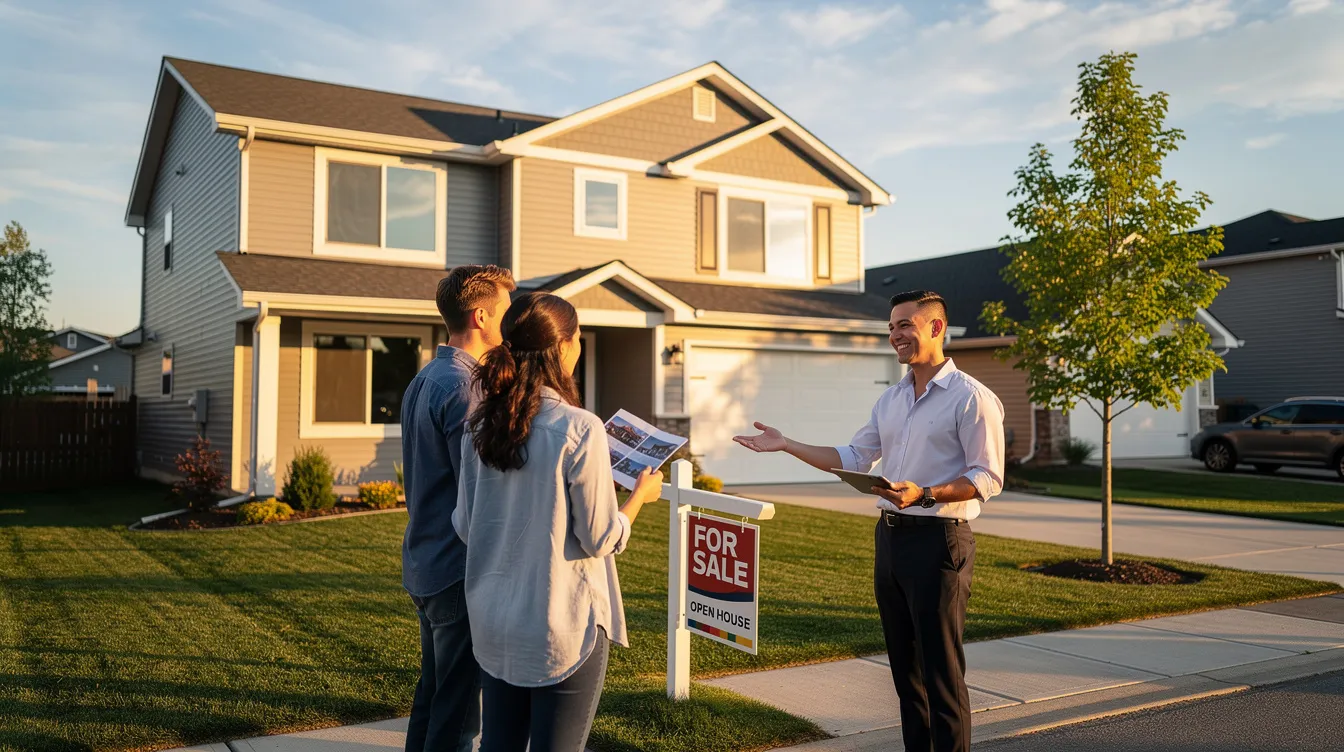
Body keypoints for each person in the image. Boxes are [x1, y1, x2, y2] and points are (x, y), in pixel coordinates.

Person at [734, 289, 1004, 752]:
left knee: (941, 676)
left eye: (905, 325)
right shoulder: (892, 399)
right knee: (906, 675)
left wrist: (925, 494)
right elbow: (855, 456)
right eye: (892, 327)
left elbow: (987, 476)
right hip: (891, 542)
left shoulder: (971, 398)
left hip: (940, 542)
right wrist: (788, 444)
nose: (895, 335)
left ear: (936, 328)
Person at [453, 292, 664, 752]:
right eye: (579, 338)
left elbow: (467, 526)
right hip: (560, 625)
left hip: (492, 621)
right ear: (564, 347)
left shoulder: (480, 423)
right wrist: (639, 499)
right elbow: (601, 536)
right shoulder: (579, 428)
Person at [401, 264, 516, 752]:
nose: (509, 323)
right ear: (482, 314)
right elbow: (479, 491)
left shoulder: (427, 377)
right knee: (457, 713)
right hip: (456, 570)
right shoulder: (466, 389)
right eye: (505, 312)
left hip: (425, 561)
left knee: (434, 695)